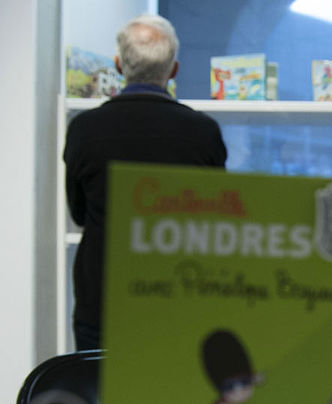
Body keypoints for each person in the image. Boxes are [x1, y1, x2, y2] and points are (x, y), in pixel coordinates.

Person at [65, 14, 227, 350]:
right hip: (178, 300)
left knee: (99, 399)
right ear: (173, 70)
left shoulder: (84, 129)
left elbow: (79, 213)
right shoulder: (202, 133)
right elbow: (215, 224)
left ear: (118, 66)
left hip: (102, 302)